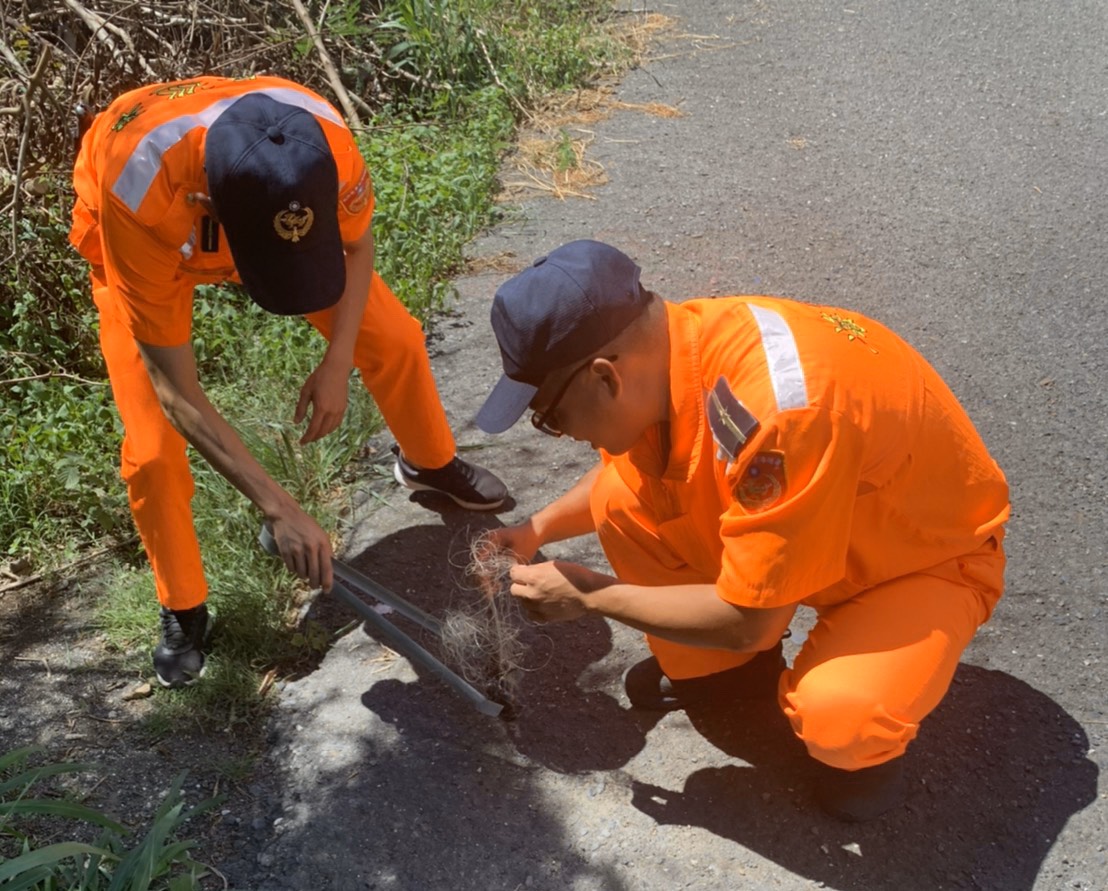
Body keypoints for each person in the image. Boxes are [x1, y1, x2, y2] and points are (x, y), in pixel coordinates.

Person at [474, 240, 1009, 821]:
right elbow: (622, 472)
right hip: (820, 517)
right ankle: (732, 679)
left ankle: (863, 744)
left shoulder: (777, 411)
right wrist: (535, 528)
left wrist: (590, 595)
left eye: (550, 417)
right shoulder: (678, 345)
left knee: (840, 717)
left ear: (605, 377)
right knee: (616, 497)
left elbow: (751, 621)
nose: (556, 431)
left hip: (916, 558)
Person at [70, 75, 507, 689]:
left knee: (396, 336)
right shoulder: (137, 190)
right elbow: (176, 391)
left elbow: (356, 247)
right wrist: (277, 506)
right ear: (214, 211)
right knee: (150, 453)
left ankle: (430, 463)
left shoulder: (322, 140)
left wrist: (338, 362)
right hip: (147, 242)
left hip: (232, 214)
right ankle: (183, 606)